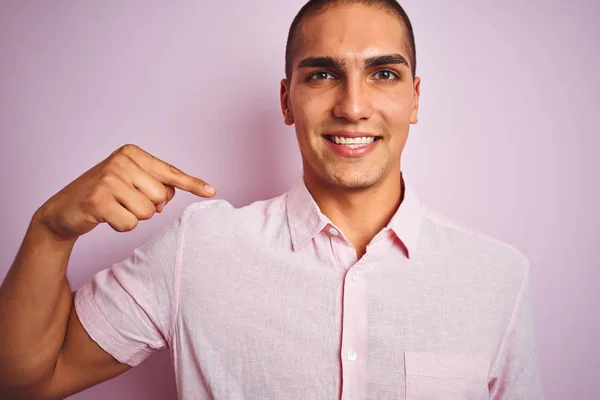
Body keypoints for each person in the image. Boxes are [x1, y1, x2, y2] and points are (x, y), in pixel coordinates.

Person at [0, 0, 545, 398]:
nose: (353, 106)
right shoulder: (200, 249)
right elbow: (25, 380)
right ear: (287, 101)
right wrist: (50, 230)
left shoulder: (497, 277)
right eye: (322, 75)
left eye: (382, 73)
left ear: (414, 99)